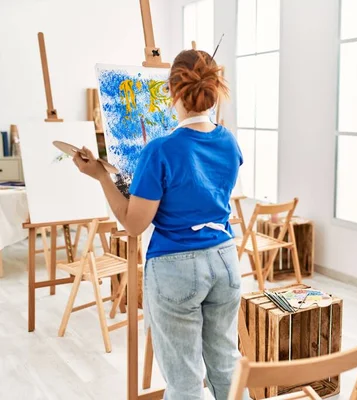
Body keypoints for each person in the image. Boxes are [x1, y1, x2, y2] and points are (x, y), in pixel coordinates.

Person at [73, 49, 248, 400]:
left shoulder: (160, 151)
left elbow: (133, 224)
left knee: (184, 380)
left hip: (177, 268)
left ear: (171, 90)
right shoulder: (228, 141)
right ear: (214, 89)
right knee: (226, 366)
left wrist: (100, 177)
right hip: (226, 259)